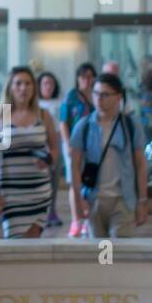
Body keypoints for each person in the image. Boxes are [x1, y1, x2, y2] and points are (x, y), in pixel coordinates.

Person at [68, 73, 149, 241]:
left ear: (118, 96)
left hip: (123, 200)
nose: (99, 99)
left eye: (105, 94)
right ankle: (106, 267)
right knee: (101, 255)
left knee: (119, 253)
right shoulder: (83, 126)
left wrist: (143, 200)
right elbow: (74, 165)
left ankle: (114, 267)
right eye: (95, 93)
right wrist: (77, 200)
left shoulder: (131, 126)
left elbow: (140, 164)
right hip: (93, 200)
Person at [0, 65, 59, 238]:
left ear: (34, 87)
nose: (23, 88)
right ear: (10, 87)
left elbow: (55, 148)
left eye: (28, 84)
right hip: (11, 192)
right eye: (18, 83)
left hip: (39, 190)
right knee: (13, 243)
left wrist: (49, 159)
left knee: (32, 245)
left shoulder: (43, 115)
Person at [59, 62, 97, 236]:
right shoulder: (70, 97)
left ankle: (90, 218)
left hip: (93, 144)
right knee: (75, 182)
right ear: (78, 79)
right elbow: (63, 122)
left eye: (90, 77)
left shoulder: (98, 96)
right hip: (74, 144)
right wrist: (67, 144)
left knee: (90, 180)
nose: (87, 80)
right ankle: (77, 219)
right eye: (83, 77)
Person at [38, 71, 64, 226]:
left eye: (51, 84)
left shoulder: (59, 104)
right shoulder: (35, 104)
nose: (48, 87)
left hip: (56, 146)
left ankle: (52, 211)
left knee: (54, 181)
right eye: (45, 83)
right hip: (40, 147)